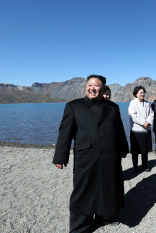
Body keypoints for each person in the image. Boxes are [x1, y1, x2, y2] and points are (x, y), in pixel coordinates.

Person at [52, 74, 129, 232]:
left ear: (103, 89)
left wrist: (124, 148)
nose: (92, 88)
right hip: (86, 157)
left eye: (96, 85)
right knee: (84, 190)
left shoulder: (113, 107)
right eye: (89, 85)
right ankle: (80, 226)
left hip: (110, 156)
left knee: (109, 187)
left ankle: (105, 217)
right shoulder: (74, 106)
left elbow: (119, 130)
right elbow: (65, 133)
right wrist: (60, 157)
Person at [128, 86, 154, 173]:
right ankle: (135, 166)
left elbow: (151, 113)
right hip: (136, 130)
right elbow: (133, 116)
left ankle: (145, 165)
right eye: (140, 93)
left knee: (145, 150)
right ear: (136, 94)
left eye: (143, 92)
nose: (142, 94)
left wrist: (148, 122)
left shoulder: (147, 103)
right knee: (135, 150)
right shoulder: (132, 103)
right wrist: (144, 123)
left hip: (146, 130)